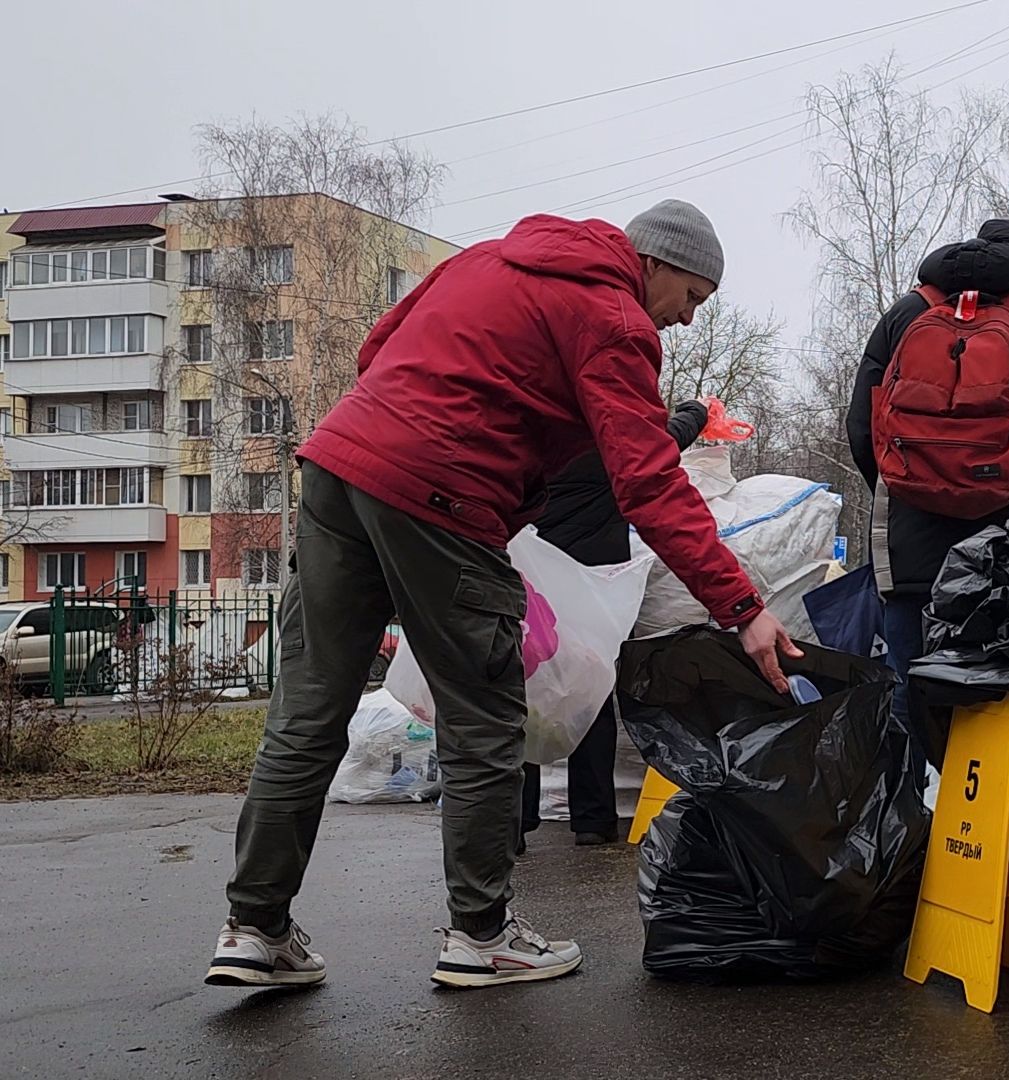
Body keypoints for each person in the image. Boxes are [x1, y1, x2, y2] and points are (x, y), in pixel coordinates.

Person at [206, 200, 801, 992]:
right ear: (653, 262)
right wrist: (743, 608)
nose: (686, 319)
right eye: (690, 296)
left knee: (308, 710)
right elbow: (650, 482)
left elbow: (378, 347)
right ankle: (483, 935)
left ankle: (254, 927)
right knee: (484, 718)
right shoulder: (616, 320)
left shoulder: (486, 259)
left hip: (339, 468)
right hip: (444, 493)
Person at [845, 220, 1009, 725]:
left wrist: (908, 489)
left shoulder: (909, 311)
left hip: (908, 550)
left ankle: (911, 779)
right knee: (1004, 696)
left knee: (907, 687)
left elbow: (861, 426)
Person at [517, 399, 709, 848]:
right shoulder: (607, 441)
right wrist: (696, 412)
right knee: (593, 696)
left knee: (524, 697)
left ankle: (514, 823)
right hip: (592, 589)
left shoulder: (532, 439)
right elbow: (662, 443)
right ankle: (593, 819)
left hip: (534, 589)